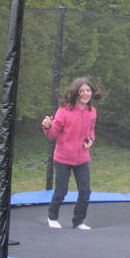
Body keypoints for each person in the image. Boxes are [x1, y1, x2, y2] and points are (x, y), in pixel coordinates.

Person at [41, 76, 99, 230]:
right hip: (63, 158)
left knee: (85, 191)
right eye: (82, 91)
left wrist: (90, 140)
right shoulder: (64, 112)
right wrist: (47, 126)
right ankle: (52, 217)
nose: (86, 93)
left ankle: (78, 221)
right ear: (75, 93)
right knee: (61, 191)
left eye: (88, 90)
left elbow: (91, 131)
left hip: (82, 158)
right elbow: (53, 134)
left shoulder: (92, 112)